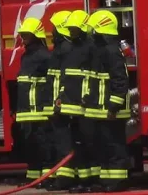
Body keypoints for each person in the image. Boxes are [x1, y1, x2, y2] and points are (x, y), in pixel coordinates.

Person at [86, 10, 131, 193]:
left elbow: (120, 80)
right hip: (102, 108)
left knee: (114, 145)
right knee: (105, 144)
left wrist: (113, 105)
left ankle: (118, 182)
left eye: (93, 31)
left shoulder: (111, 51)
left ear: (101, 31)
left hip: (112, 109)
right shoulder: (104, 50)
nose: (91, 34)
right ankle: (107, 181)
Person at [58, 10, 94, 193]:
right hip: (72, 104)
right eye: (70, 29)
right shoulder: (71, 49)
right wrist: (61, 97)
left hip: (85, 105)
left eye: (74, 29)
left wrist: (87, 97)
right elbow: (66, 77)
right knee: (78, 143)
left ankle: (90, 181)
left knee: (88, 143)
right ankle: (83, 179)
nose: (71, 33)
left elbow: (93, 77)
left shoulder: (90, 49)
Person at [13, 18, 52, 184]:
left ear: (36, 35)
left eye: (27, 34)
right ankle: (33, 177)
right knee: (30, 144)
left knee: (43, 144)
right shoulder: (25, 56)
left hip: (39, 109)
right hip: (26, 110)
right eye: (23, 34)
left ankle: (46, 177)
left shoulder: (44, 56)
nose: (24, 38)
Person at [48, 10, 76, 190]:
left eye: (54, 28)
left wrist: (60, 100)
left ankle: (65, 177)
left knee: (63, 141)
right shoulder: (65, 48)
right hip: (61, 101)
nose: (52, 32)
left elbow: (66, 78)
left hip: (63, 103)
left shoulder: (64, 50)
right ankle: (64, 175)